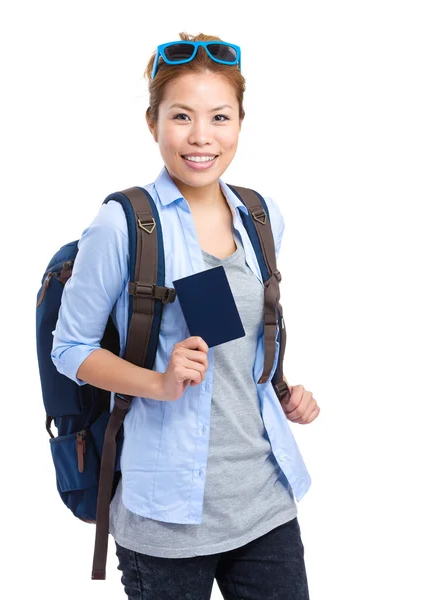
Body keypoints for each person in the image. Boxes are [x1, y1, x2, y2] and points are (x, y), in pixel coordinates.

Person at [51, 30, 320, 600]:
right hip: (164, 518)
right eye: (181, 117)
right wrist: (158, 381)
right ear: (153, 123)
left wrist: (284, 387)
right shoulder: (122, 224)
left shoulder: (261, 214)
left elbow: (245, 338)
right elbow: (69, 349)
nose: (201, 137)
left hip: (264, 501)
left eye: (220, 117)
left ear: (241, 123)